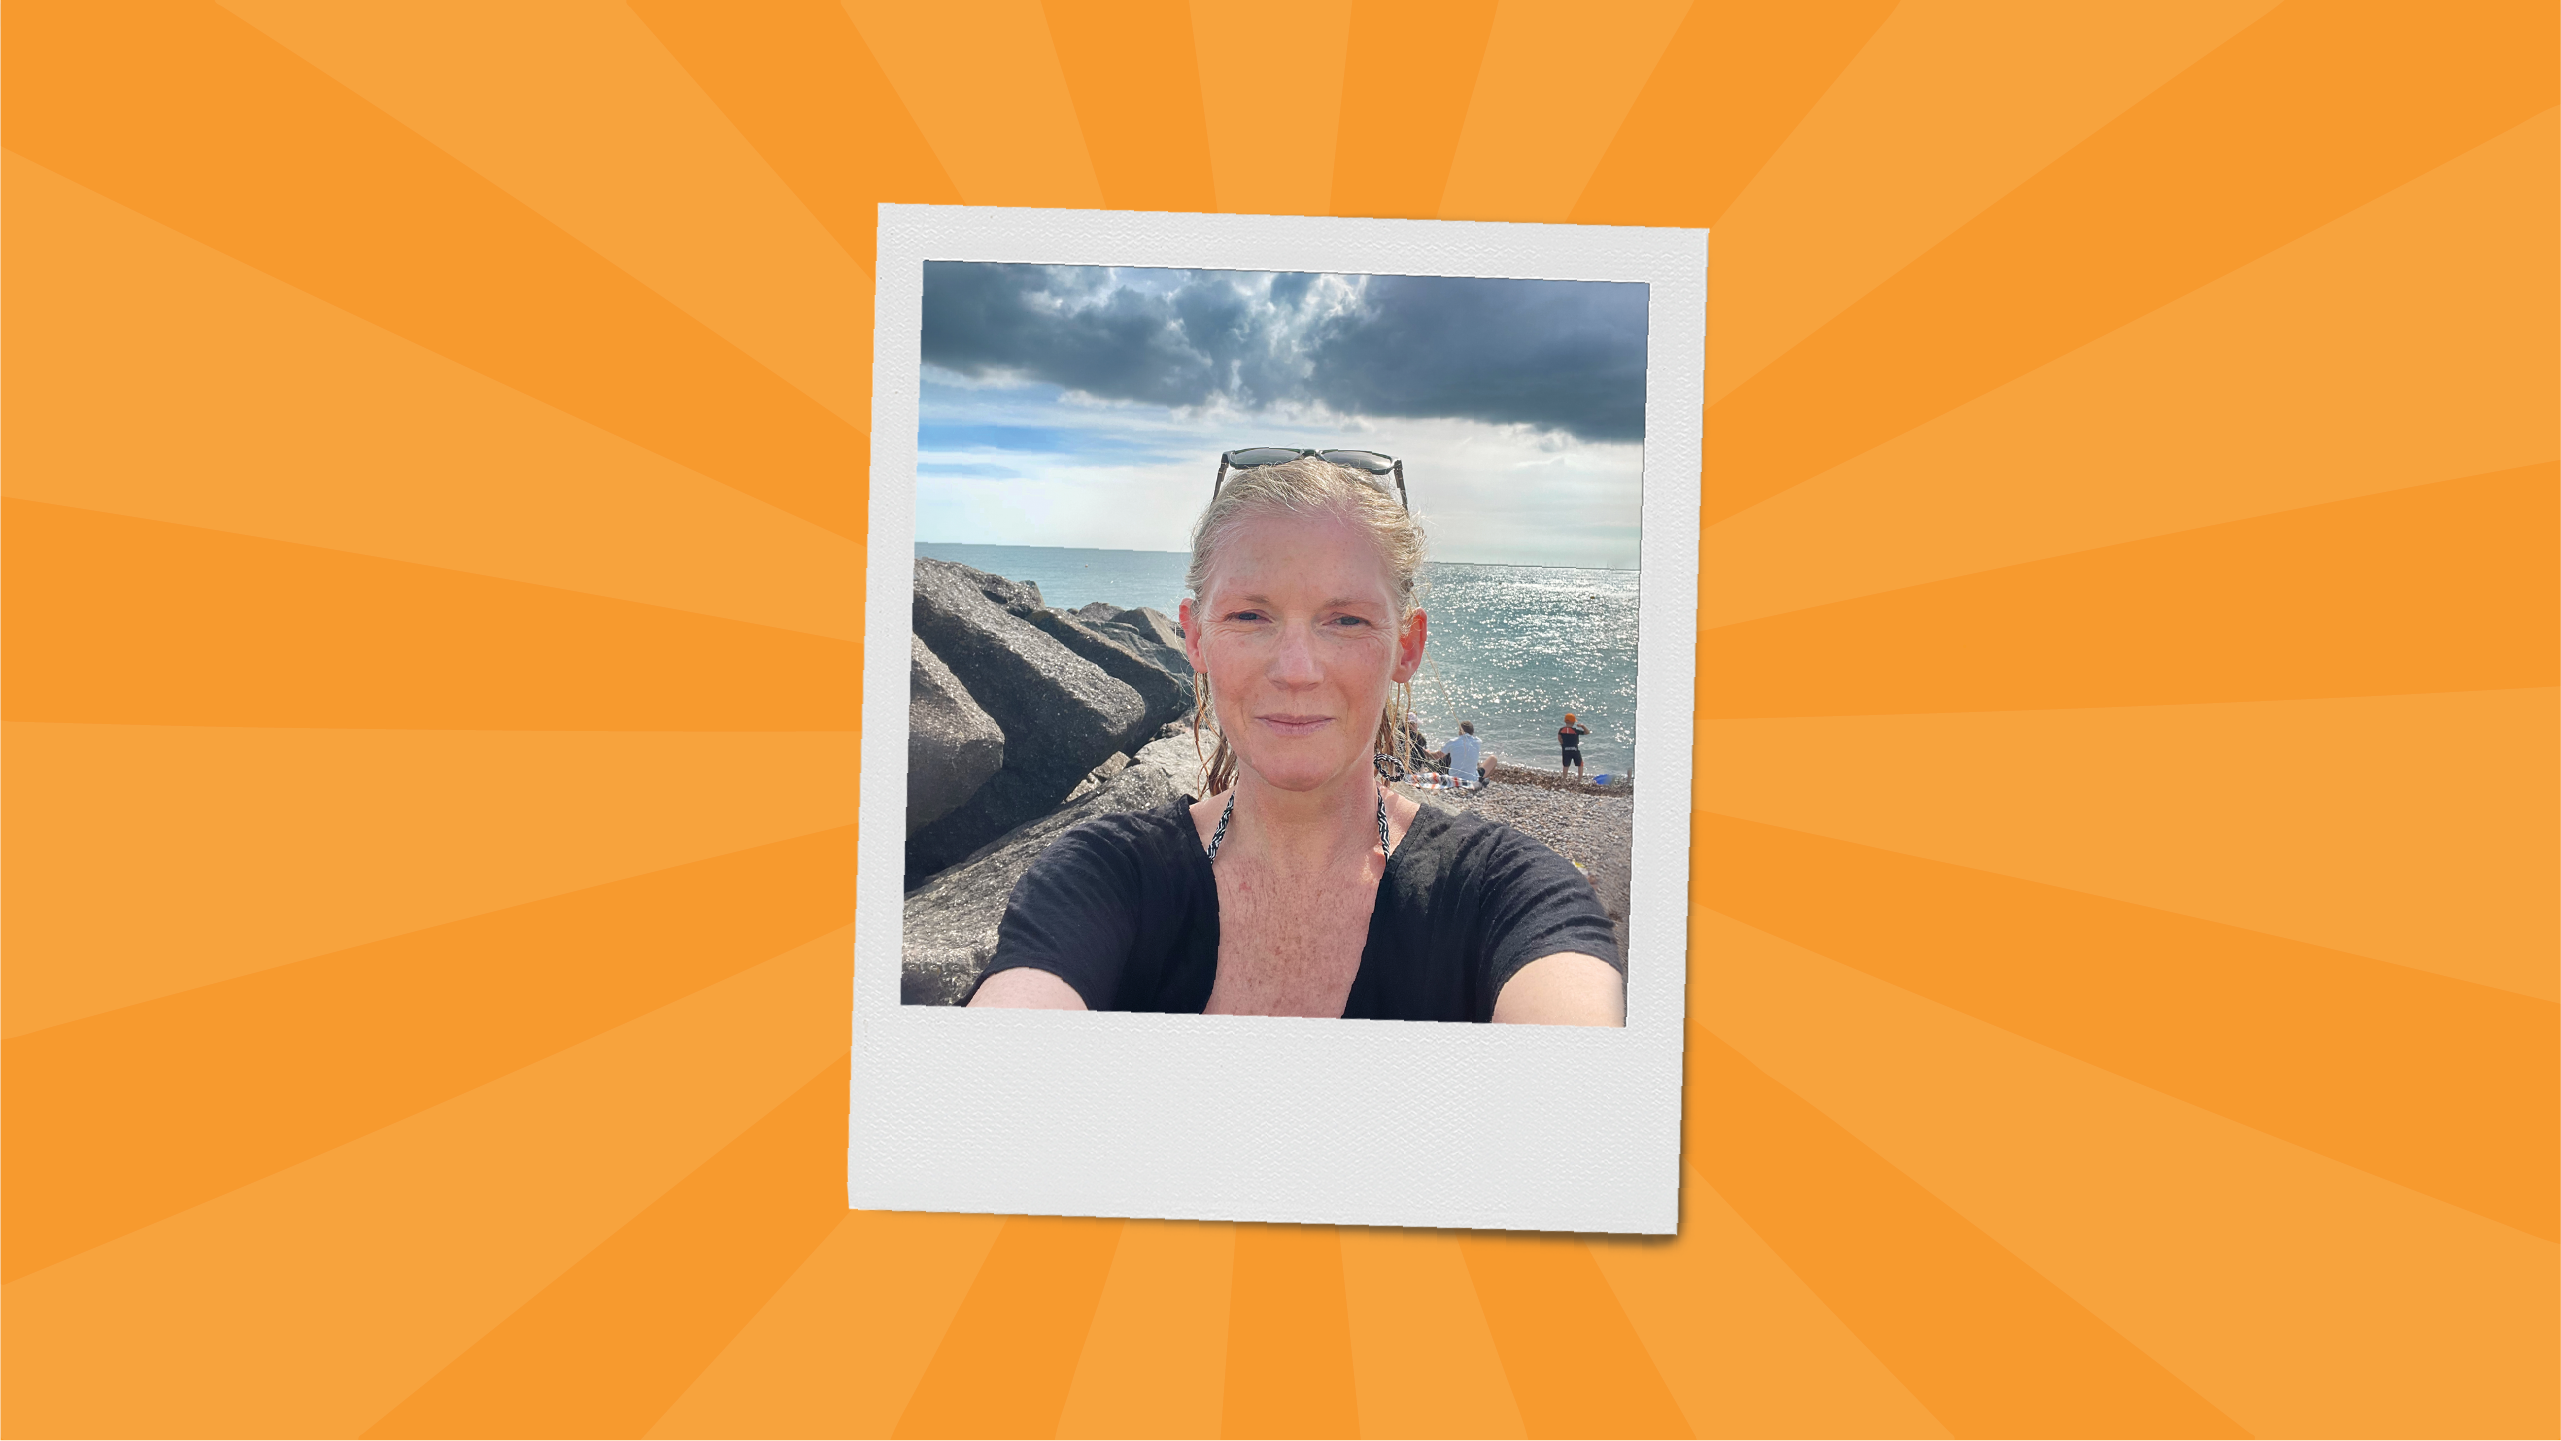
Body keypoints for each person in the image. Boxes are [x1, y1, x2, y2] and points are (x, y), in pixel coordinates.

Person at [968, 455, 1623, 1025]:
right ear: (1194, 637)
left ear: (1407, 645)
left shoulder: (1502, 895)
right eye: (1250, 615)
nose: (1296, 670)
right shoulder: (1104, 879)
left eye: (1345, 619)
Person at [1437, 721, 1483, 789]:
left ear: (1461, 730)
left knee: (1449, 753)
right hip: (1472, 779)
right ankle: (1483, 779)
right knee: (1493, 759)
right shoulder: (1478, 741)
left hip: (1454, 779)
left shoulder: (1453, 742)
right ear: (1472, 732)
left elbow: (1436, 756)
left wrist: (1425, 752)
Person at [1558, 712, 1590, 778]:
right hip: (1574, 750)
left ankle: (1564, 779)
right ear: (1573, 722)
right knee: (1580, 764)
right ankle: (1579, 779)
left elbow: (1559, 738)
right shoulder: (1575, 731)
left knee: (1566, 766)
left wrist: (1562, 744)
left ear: (1565, 721)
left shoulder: (1561, 730)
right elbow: (1587, 732)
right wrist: (1582, 726)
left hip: (1565, 750)